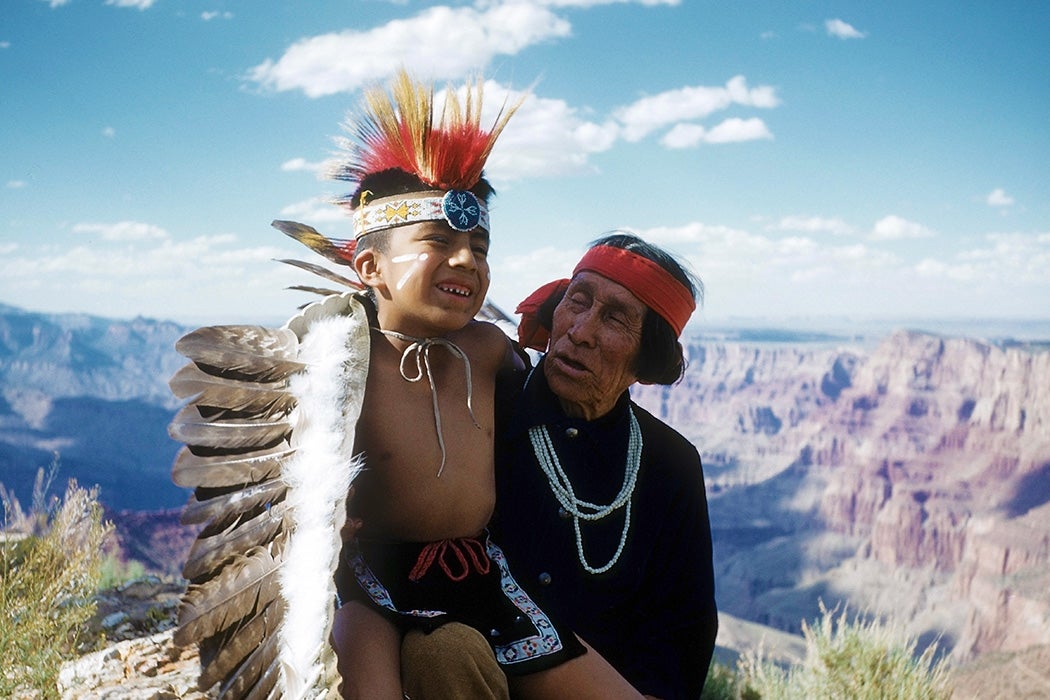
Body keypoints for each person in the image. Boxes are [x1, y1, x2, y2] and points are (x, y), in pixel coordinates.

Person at [328, 72, 647, 700]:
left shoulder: (491, 349)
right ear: (371, 268)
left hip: (483, 575)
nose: (466, 262)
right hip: (375, 583)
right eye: (439, 243)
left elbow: (560, 407)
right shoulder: (346, 368)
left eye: (479, 246)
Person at [399, 233, 718, 700]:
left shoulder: (671, 463)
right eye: (578, 301)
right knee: (441, 649)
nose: (581, 330)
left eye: (614, 318)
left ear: (646, 355)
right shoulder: (478, 410)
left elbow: (680, 642)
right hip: (471, 678)